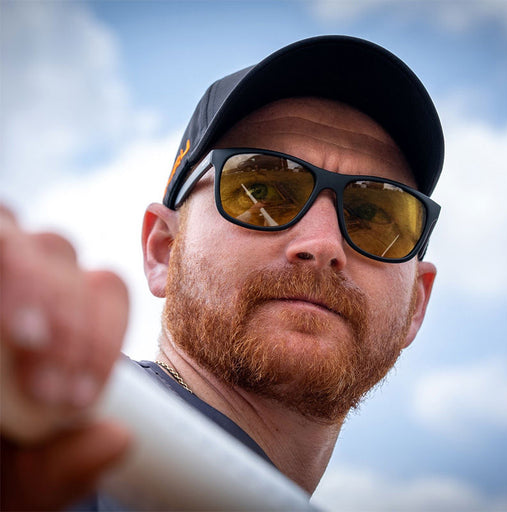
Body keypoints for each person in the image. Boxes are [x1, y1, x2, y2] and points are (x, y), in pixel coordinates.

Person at [0, 35, 444, 510]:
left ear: (416, 305)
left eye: (377, 215)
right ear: (164, 250)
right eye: (260, 190)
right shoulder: (38, 429)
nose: (322, 244)